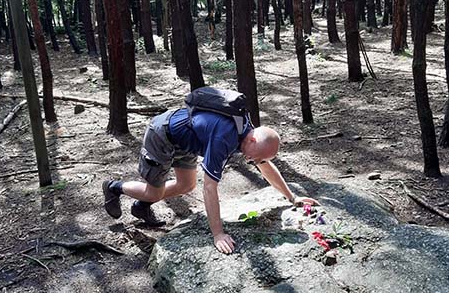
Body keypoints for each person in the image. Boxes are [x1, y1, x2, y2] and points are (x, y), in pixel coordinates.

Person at [102, 105, 318, 254]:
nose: (253, 161)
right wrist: (218, 234)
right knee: (153, 192)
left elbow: (265, 166)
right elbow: (209, 188)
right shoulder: (224, 139)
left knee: (186, 185)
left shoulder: (248, 133)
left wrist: (292, 198)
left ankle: (141, 206)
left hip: (187, 140)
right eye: (256, 157)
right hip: (163, 134)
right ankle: (113, 187)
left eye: (258, 159)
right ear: (253, 140)